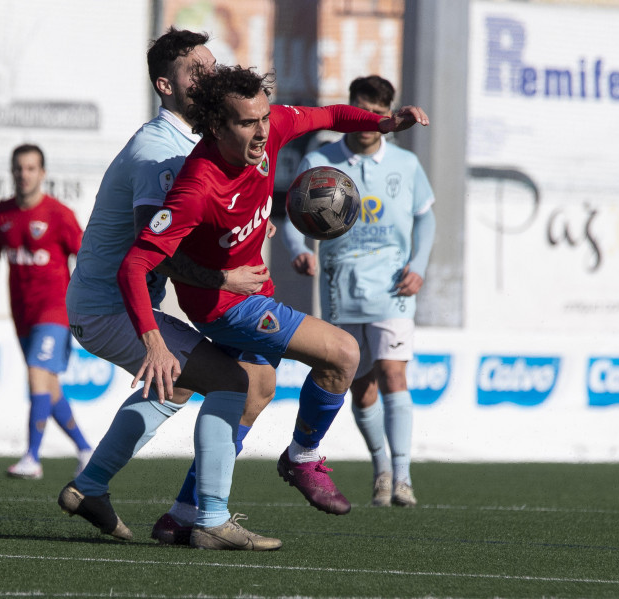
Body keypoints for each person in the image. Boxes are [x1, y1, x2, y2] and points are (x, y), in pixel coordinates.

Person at [116, 65, 429, 525]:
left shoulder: (273, 125)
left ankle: (183, 513)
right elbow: (135, 263)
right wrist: (154, 342)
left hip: (252, 295)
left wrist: (380, 124)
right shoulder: (196, 185)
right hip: (225, 307)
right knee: (344, 354)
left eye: (264, 117)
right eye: (247, 122)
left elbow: (329, 116)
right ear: (216, 126)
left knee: (254, 394)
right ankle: (302, 457)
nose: (262, 130)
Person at [60, 28, 282, 551]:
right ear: (166, 85)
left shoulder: (196, 144)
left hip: (109, 305)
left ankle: (90, 487)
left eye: (211, 65)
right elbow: (153, 251)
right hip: (112, 307)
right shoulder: (159, 150)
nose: (208, 76)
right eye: (194, 71)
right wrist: (223, 276)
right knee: (235, 383)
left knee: (178, 385)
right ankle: (211, 518)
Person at [281, 75, 436, 507]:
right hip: (340, 284)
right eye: (361, 111)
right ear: (351, 109)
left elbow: (426, 217)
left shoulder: (405, 165)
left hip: (393, 284)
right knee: (361, 384)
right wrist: (299, 249)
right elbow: (289, 213)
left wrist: (418, 266)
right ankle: (381, 468)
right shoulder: (319, 160)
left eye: (377, 114)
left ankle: (403, 475)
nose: (368, 122)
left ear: (386, 115)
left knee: (393, 373)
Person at [0, 144, 93, 480]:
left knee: (35, 372)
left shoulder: (58, 214)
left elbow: (85, 256)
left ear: (42, 173)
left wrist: (86, 299)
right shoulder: (2, 212)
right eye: (18, 168)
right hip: (23, 313)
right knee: (49, 385)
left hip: (56, 310)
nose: (24, 174)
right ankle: (87, 450)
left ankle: (32, 457)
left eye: (31, 168)